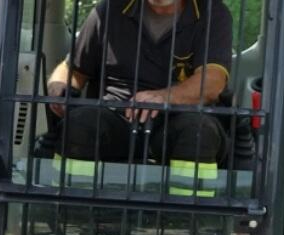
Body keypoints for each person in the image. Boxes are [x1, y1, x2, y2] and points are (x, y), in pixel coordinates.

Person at [44, 0, 233, 180]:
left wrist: (163, 97)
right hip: (116, 116)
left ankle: (187, 213)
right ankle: (71, 211)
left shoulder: (213, 13)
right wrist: (58, 85)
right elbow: (73, 69)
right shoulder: (109, 10)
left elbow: (212, 83)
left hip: (176, 118)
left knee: (198, 133)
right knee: (80, 124)